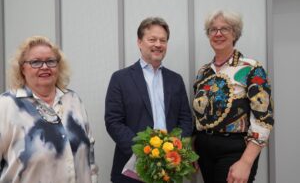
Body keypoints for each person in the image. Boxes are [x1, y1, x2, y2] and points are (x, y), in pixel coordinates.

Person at [105, 17, 193, 183]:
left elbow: (186, 119)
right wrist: (144, 152)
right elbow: (113, 121)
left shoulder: (176, 80)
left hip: (170, 170)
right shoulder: (120, 79)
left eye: (163, 40)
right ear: (139, 42)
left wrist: (175, 148)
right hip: (132, 169)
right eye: (152, 39)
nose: (158, 44)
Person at [0, 36, 98, 183]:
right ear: (22, 68)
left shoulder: (73, 100)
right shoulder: (7, 105)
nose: (45, 67)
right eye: (36, 62)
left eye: (51, 61)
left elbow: (89, 153)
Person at [192, 10, 274, 183]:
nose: (218, 34)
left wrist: (246, 162)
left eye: (225, 29)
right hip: (204, 149)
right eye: (213, 29)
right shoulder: (203, 72)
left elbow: (263, 119)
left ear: (235, 33)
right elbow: (199, 116)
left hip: (235, 150)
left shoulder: (251, 68)